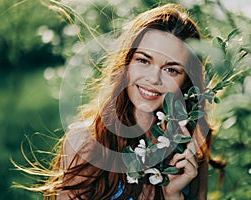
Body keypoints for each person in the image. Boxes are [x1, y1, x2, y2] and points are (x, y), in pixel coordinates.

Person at [18, 3, 225, 200]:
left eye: (171, 70)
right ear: (126, 63)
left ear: (186, 83)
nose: (153, 79)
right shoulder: (86, 144)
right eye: (143, 60)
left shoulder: (189, 153)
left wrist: (173, 195)